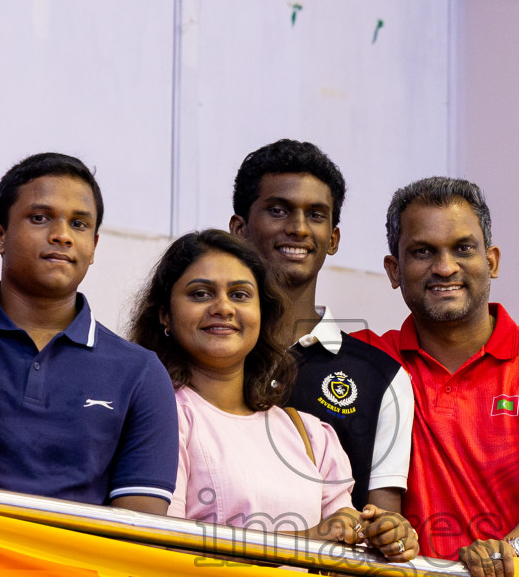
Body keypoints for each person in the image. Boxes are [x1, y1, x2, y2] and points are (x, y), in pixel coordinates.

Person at [355, 176, 519, 577]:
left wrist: (512, 554)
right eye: (423, 252)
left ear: (492, 261)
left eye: (463, 248)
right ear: (394, 271)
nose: (445, 267)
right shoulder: (362, 361)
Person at [129, 229, 416, 560]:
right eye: (200, 294)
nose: (222, 307)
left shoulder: (310, 434)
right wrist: (308, 541)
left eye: (239, 295)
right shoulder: (160, 417)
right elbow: (161, 548)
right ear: (165, 314)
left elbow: (346, 545)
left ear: (262, 315)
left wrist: (385, 537)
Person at [0, 152, 177, 512]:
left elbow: (141, 526)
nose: (61, 235)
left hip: (81, 568)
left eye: (79, 225)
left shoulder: (140, 372)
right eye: (40, 218)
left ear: (93, 246)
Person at [229, 139, 413, 512]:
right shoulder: (203, 350)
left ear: (333, 239)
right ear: (240, 229)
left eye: (315, 214)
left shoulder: (383, 378)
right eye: (278, 210)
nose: (298, 228)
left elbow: (380, 523)